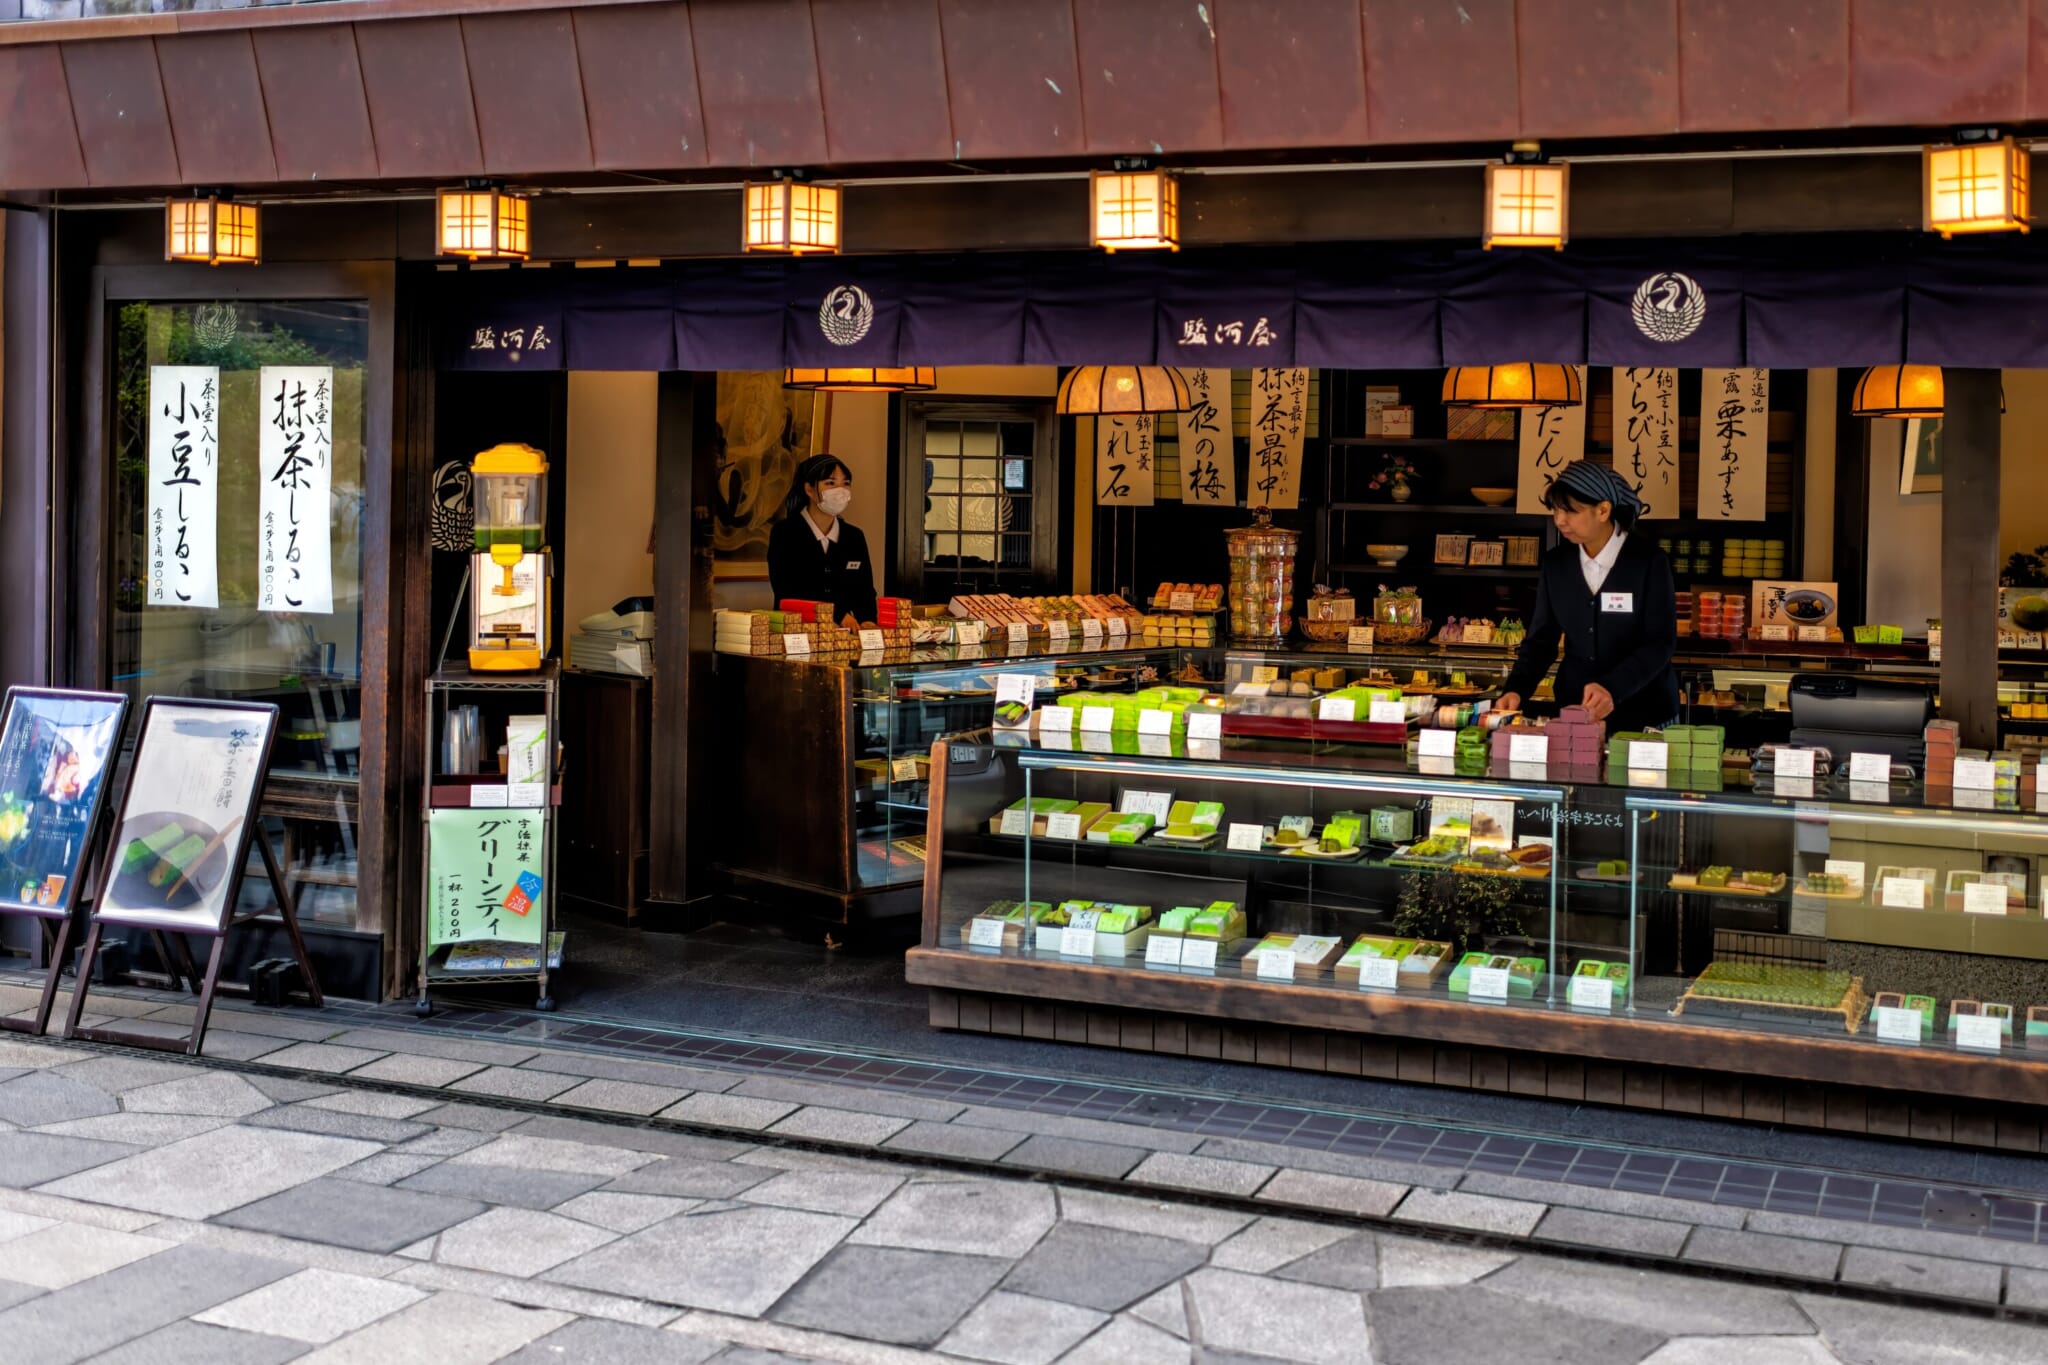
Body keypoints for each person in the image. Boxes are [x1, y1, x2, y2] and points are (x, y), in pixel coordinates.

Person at [1498, 460, 1679, 731]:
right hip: (1575, 712)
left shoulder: (1648, 561)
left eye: (1571, 511)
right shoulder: (1556, 563)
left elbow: (1659, 643)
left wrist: (1612, 688)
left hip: (1643, 711)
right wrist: (1516, 689)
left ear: (1603, 510)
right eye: (1556, 510)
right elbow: (1541, 639)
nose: (1560, 520)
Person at [766, 454, 879, 627]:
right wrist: (838, 615)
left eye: (846, 483)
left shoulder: (853, 537)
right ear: (809, 489)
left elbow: (864, 591)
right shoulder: (785, 533)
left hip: (843, 637)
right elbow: (788, 590)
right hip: (797, 634)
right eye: (830, 483)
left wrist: (868, 620)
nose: (840, 490)